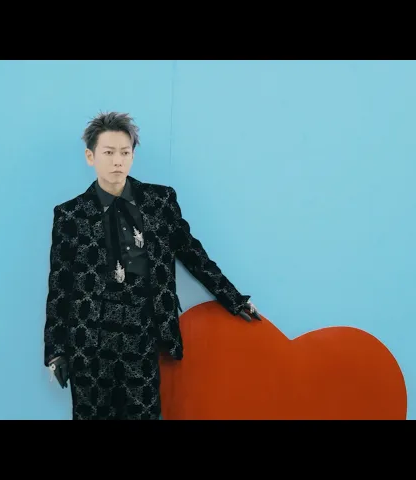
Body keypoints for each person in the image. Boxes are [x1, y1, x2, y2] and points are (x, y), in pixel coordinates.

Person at [43, 111, 260, 420]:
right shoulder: (70, 215)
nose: (117, 161)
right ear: (91, 157)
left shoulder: (159, 202)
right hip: (90, 339)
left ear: (133, 156)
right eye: (108, 152)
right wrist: (56, 351)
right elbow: (60, 284)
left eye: (125, 152)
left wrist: (233, 297)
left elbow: (192, 252)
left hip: (143, 331)